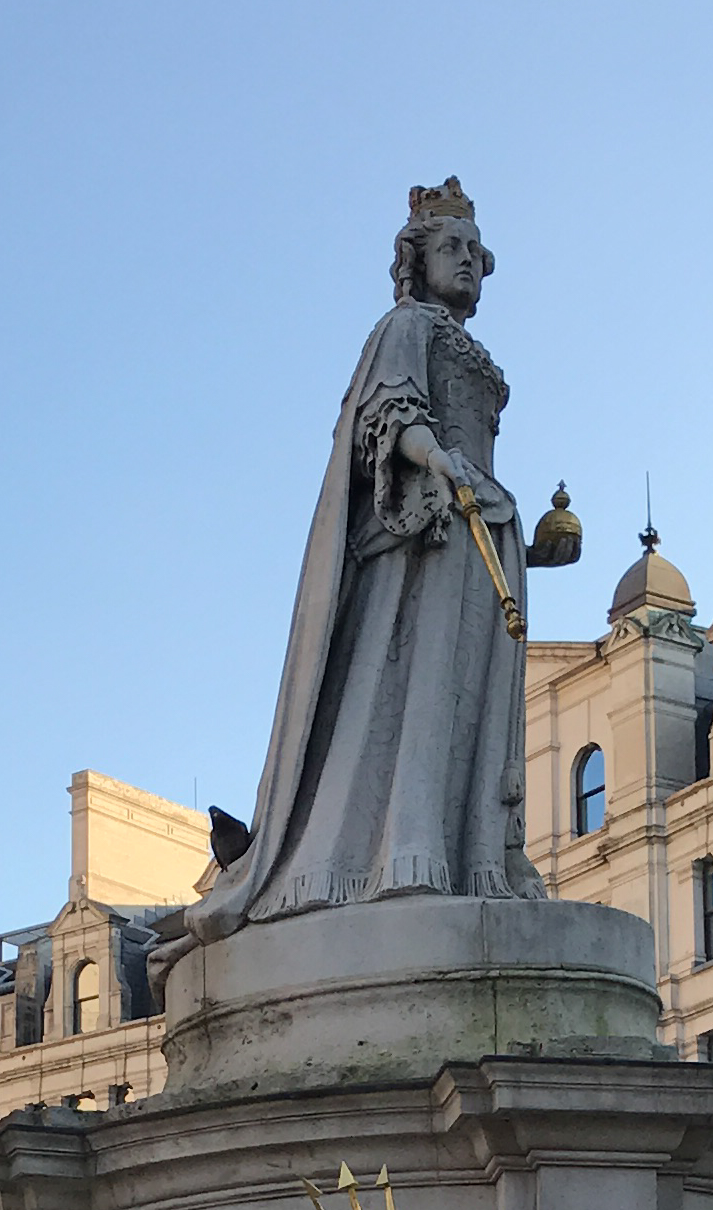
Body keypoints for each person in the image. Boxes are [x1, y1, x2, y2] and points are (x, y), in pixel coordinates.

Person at [192, 178, 538, 934]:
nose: (468, 260)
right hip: (424, 534)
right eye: (452, 247)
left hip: (480, 528)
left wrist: (530, 542)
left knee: (469, 702)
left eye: (476, 251)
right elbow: (389, 412)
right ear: (418, 260)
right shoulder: (404, 326)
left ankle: (477, 855)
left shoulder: (467, 346)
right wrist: (437, 461)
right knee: (420, 687)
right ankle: (405, 855)